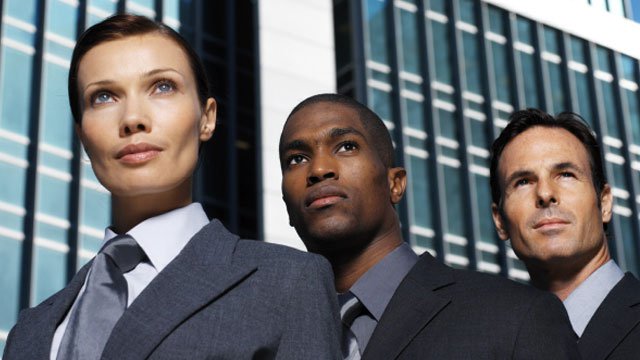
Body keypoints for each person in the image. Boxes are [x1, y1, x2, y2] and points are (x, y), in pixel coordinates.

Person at [3, 14, 340, 360]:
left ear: (206, 118)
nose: (133, 118)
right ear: (82, 135)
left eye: (162, 87)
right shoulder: (29, 332)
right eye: (104, 97)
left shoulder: (288, 281)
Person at [279, 93, 579, 359]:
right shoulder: (272, 337)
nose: (318, 169)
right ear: (286, 204)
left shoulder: (516, 316)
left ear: (395, 184)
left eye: (346, 146)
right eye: (296, 159)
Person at [490, 108, 640, 359]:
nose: (545, 193)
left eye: (566, 175)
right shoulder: (490, 343)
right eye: (523, 181)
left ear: (604, 203)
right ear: (500, 221)